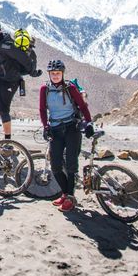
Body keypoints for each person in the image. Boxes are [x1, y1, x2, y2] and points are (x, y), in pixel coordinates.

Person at [38, 60, 94, 212]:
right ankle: (65, 193)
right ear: (49, 74)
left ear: (62, 74)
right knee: (55, 165)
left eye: (58, 73)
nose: (55, 76)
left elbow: (82, 106)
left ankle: (70, 197)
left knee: (71, 164)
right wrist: (45, 127)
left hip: (71, 127)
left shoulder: (70, 88)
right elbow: (42, 109)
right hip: (55, 129)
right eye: (53, 73)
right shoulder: (45, 89)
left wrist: (89, 123)